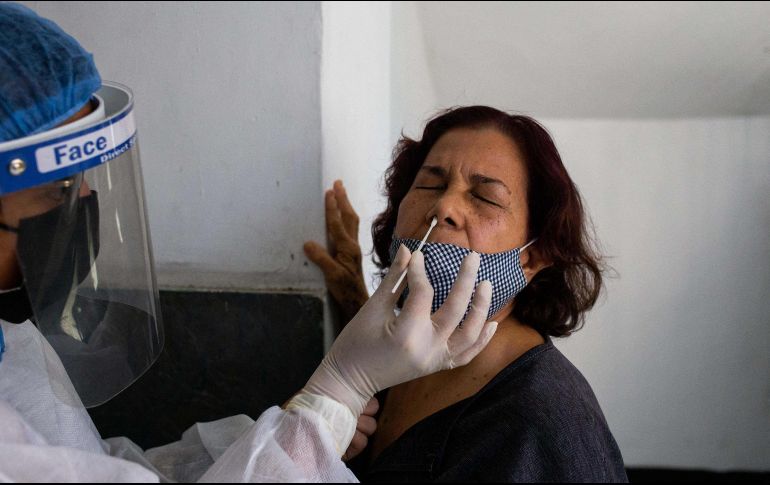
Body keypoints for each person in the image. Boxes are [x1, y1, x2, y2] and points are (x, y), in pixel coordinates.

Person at [0, 4, 499, 482]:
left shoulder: (12, 346)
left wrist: (305, 430)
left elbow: (97, 468)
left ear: (539, 255)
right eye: (58, 188)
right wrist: (334, 398)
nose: (83, 202)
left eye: (486, 196)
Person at [305, 106, 629, 482]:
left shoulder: (542, 421)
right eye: (430, 185)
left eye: (486, 198)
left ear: (532, 256)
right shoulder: (388, 359)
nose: (444, 207)